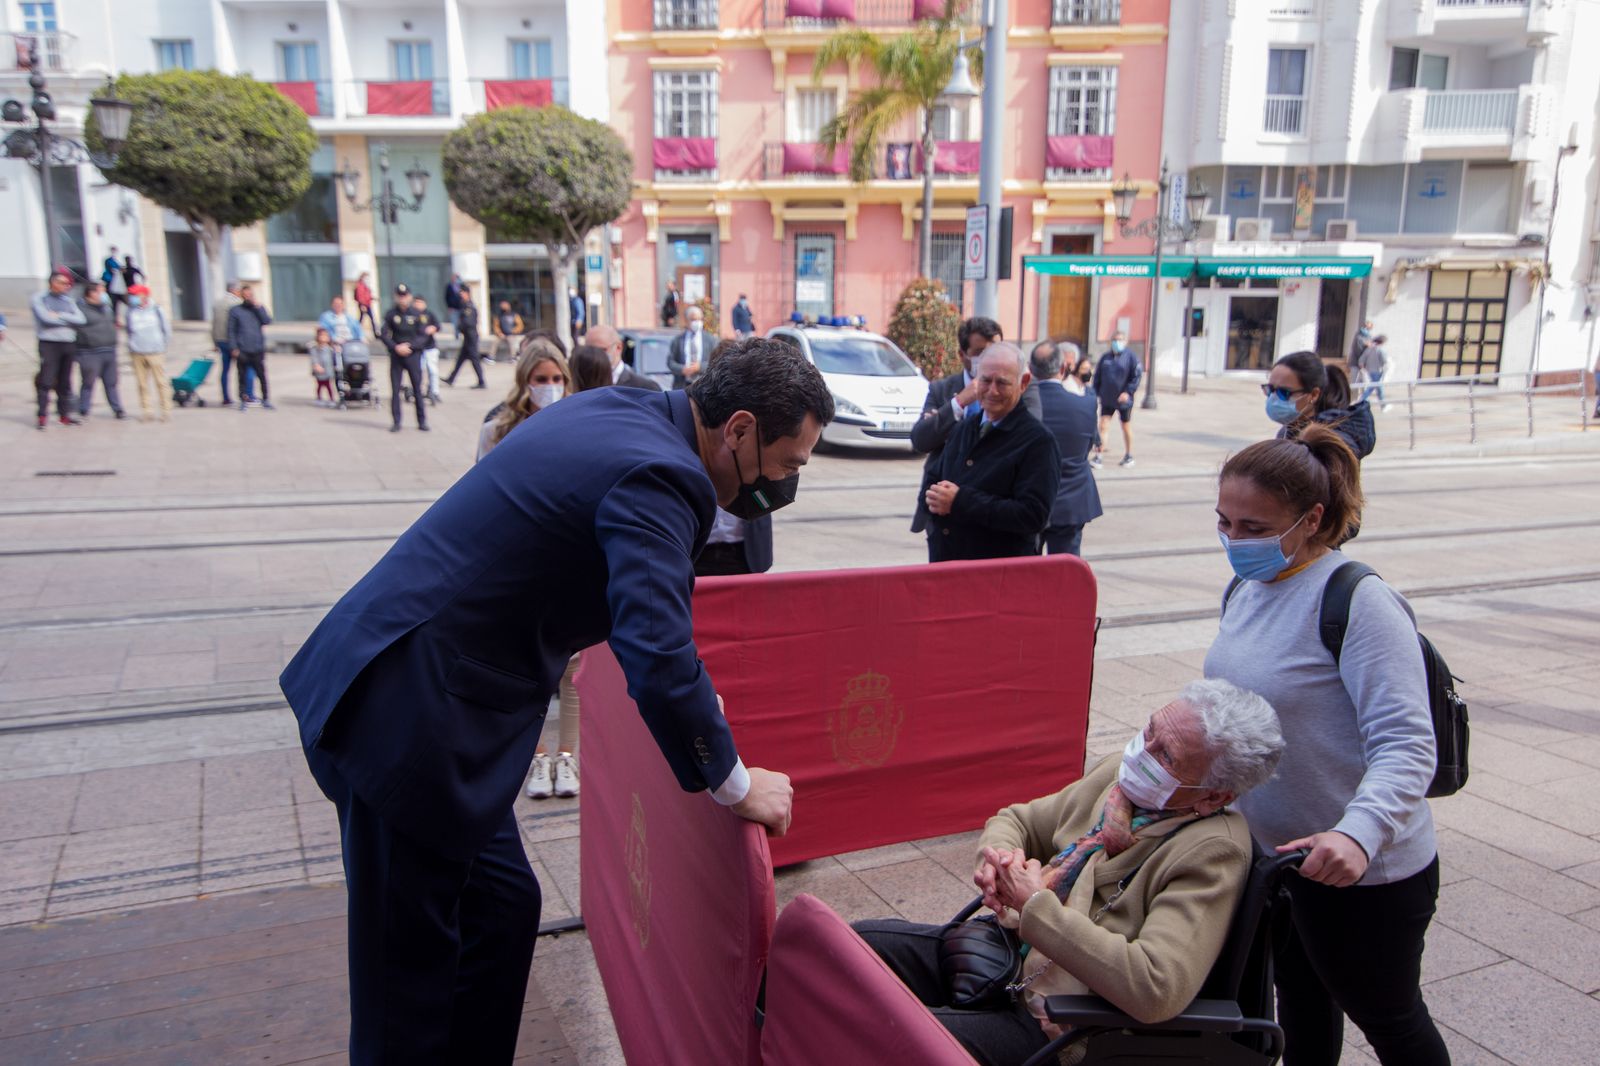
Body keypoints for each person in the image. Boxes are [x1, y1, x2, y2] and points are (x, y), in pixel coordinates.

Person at [278, 339, 833, 1063]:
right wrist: (735, 784)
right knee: (404, 990)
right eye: (788, 463)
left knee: (503, 908)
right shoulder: (668, 476)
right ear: (738, 429)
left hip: (424, 696)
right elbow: (659, 656)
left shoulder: (624, 408)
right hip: (405, 723)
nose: (784, 485)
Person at [854, 680, 1283, 1065]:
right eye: (1150, 730)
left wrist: (1035, 905)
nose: (1143, 752)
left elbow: (1156, 988)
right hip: (1005, 955)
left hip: (1068, 1020)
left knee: (890, 1040)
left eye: (1166, 755)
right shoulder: (1116, 778)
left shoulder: (1213, 850)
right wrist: (999, 860)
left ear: (1214, 796)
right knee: (856, 950)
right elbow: (1020, 821)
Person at [1205, 428, 1450, 1066]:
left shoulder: (1358, 602)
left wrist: (1359, 834)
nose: (1235, 540)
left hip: (1364, 871)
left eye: (1254, 526)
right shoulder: (1246, 589)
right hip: (1280, 863)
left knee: (1391, 1019)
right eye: (1224, 522)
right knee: (1303, 1007)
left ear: (1312, 519)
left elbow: (1406, 743)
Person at [474, 339, 577, 799]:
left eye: (557, 380)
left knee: (573, 667)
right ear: (525, 383)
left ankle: (568, 756)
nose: (550, 388)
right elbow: (478, 495)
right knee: (525, 666)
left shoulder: (581, 421)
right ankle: (535, 757)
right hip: (517, 561)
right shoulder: (499, 429)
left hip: (569, 558)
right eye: (541, 381)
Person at [922, 343, 1060, 563]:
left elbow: (1033, 515)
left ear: (1023, 383)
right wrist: (933, 500)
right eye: (985, 381)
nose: (992, 391)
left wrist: (960, 502)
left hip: (997, 574)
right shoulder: (965, 428)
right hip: (948, 565)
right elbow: (935, 477)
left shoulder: (1038, 441)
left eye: (1002, 383)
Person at [911, 317, 1040, 545]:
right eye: (981, 351)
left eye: (996, 348)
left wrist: (945, 425)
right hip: (945, 519)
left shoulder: (1023, 388)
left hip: (998, 517)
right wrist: (958, 403)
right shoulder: (944, 389)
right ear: (963, 355)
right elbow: (921, 440)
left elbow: (1025, 433)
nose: (990, 357)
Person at [1031, 341, 1102, 557]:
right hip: (1072, 498)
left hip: (1030, 500)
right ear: (1063, 369)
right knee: (1065, 573)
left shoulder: (1020, 407)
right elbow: (1087, 447)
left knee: (1025, 570)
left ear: (1031, 370)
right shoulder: (1086, 405)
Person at [1264, 351, 1374, 460]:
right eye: (1270, 389)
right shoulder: (1291, 428)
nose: (1273, 398)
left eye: (1284, 393)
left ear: (1314, 394)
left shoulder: (1328, 444)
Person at [31, 269, 86, 430]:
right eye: (62, 283)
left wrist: (60, 315)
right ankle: (42, 416)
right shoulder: (39, 298)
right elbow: (46, 319)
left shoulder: (68, 300)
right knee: (46, 380)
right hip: (49, 343)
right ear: (52, 283)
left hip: (68, 343)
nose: (66, 286)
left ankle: (64, 415)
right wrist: (67, 319)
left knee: (65, 381)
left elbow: (81, 319)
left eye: (67, 283)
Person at [381, 283, 430, 432]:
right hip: (397, 355)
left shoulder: (417, 314)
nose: (402, 299)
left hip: (412, 355)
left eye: (405, 296)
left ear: (409, 296)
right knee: (395, 390)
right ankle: (396, 421)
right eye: (399, 296)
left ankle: (422, 421)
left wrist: (410, 346)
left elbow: (423, 336)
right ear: (396, 297)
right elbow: (384, 334)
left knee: (417, 389)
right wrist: (395, 347)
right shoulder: (391, 314)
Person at [74, 281, 126, 420]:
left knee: (112, 382)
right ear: (91, 293)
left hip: (109, 349)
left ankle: (117, 409)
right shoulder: (80, 308)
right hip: (90, 351)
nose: (104, 294)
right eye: (100, 291)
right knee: (88, 382)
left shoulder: (106, 308)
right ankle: (84, 408)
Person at [1092, 329, 1141, 468]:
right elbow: (1097, 377)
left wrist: (1128, 392)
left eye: (1120, 340)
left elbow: (1136, 377)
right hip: (1107, 398)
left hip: (1124, 400)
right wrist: (1094, 392)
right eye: (1114, 340)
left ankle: (1129, 455)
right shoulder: (1105, 358)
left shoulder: (1131, 357)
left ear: (1125, 342)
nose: (1117, 342)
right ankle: (1099, 455)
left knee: (1125, 426)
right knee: (1103, 425)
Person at [125, 285, 172, 423]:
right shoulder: (130, 311)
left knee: (161, 382)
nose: (132, 298)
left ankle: (166, 410)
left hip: (155, 351)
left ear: (144, 295)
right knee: (142, 383)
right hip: (137, 351)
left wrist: (163, 346)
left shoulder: (156, 310)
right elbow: (129, 330)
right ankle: (147, 411)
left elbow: (166, 329)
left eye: (135, 294)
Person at [228, 285, 275, 411]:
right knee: (241, 376)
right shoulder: (235, 311)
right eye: (246, 295)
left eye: (250, 295)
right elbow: (231, 330)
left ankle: (266, 399)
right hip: (243, 349)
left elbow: (267, 321)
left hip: (257, 348)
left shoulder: (258, 309)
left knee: (261, 375)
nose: (248, 297)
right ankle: (243, 400)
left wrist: (258, 308)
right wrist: (234, 347)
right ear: (242, 296)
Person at [587, 324, 662, 392]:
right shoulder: (582, 385)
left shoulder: (645, 388)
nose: (594, 356)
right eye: (589, 351)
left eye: (601, 350)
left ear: (619, 347)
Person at [212, 279, 252, 406]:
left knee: (225, 370)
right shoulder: (237, 304)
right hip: (234, 342)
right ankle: (247, 395)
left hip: (220, 340)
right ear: (235, 290)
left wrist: (215, 341)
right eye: (239, 290)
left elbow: (213, 324)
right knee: (245, 368)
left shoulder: (218, 303)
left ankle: (225, 397)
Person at [444, 287, 485, 389]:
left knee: (474, 359)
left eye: (462, 293)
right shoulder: (464, 305)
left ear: (467, 294)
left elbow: (468, 322)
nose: (461, 295)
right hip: (467, 337)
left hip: (471, 337)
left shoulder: (469, 307)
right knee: (460, 359)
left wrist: (459, 326)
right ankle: (451, 378)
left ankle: (481, 381)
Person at [668, 304, 710, 389]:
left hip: (703, 386)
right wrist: (682, 369)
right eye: (694, 319)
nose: (697, 323)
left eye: (699, 319)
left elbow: (716, 362)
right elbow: (670, 362)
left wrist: (700, 367)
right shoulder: (678, 340)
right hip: (682, 386)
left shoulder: (710, 340)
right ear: (686, 321)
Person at [413, 294, 443, 405]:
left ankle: (434, 392)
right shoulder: (411, 314)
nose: (418, 304)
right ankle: (418, 391)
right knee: (418, 371)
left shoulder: (429, 314)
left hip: (430, 347)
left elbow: (438, 326)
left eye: (420, 302)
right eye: (416, 302)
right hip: (417, 348)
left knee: (433, 370)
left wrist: (433, 328)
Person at [1359, 334, 1390, 411]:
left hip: (1369, 370)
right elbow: (1384, 361)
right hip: (1377, 370)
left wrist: (1364, 368)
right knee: (1375, 387)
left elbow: (1361, 360)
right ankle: (1361, 400)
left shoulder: (1369, 349)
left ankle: (1383, 405)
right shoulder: (1380, 350)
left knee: (1376, 387)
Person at [310, 328, 338, 407]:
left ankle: (331, 399)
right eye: (322, 336)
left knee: (329, 385)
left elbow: (334, 357)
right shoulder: (315, 348)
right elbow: (314, 358)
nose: (324, 338)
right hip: (320, 370)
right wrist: (316, 365)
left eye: (326, 336)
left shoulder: (330, 348)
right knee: (319, 385)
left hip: (328, 370)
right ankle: (319, 398)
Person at [102, 246, 130, 323]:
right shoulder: (109, 261)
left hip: (118, 287)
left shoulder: (115, 261)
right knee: (113, 303)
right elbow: (113, 270)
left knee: (124, 302)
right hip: (111, 285)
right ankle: (113, 320)